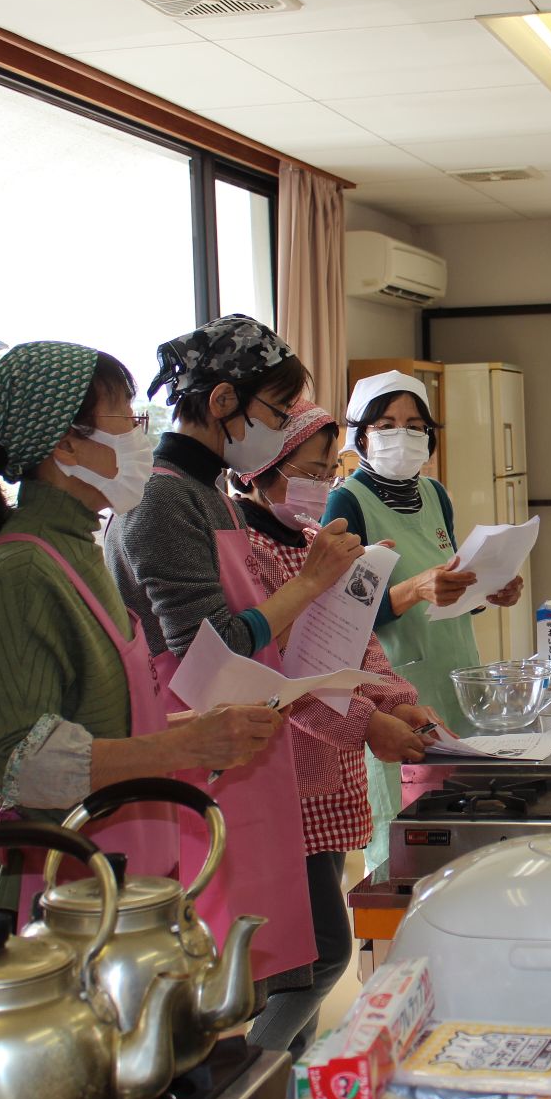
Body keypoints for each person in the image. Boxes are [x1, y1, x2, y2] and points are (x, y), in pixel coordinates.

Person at [0, 340, 278, 922]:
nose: (139, 436)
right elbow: (28, 766)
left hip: (116, 879)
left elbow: (97, 716)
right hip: (59, 899)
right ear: (67, 442)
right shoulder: (22, 574)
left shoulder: (76, 547)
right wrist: (187, 746)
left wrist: (192, 725)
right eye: (125, 419)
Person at [105, 315, 361, 1051]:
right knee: (244, 969)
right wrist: (310, 585)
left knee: (288, 960)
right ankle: (247, 1090)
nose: (279, 431)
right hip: (199, 748)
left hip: (244, 744)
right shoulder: (160, 500)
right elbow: (204, 654)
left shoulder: (205, 492)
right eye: (276, 413)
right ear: (223, 403)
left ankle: (266, 1087)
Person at [228, 398, 441, 1052]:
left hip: (325, 776)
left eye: (329, 470)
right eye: (310, 471)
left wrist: (398, 701)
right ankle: (245, 1073)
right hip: (280, 775)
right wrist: (368, 727)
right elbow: (282, 676)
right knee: (318, 957)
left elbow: (356, 645)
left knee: (301, 959)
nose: (323, 487)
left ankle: (286, 1085)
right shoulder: (246, 555)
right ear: (262, 468)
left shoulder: (317, 544)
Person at [322, 370, 524, 872]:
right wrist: (412, 590)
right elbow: (336, 617)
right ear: (361, 435)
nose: (402, 435)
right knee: (404, 849)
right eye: (387, 423)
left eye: (415, 425)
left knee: (460, 838)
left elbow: (446, 582)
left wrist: (486, 590)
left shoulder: (435, 494)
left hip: (454, 678)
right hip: (396, 695)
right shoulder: (346, 501)